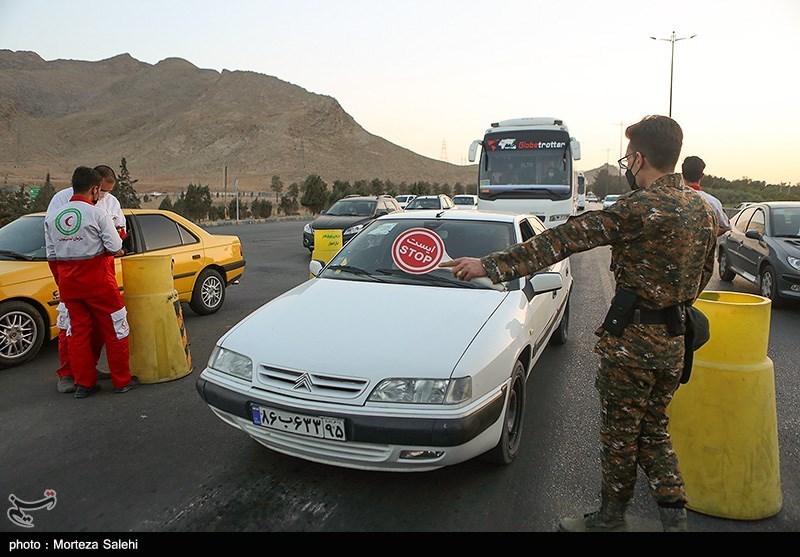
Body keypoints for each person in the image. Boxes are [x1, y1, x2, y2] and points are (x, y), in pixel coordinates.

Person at [441, 115, 718, 533]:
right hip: (675, 341)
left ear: (639, 158)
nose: (628, 164)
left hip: (633, 346)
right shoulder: (701, 209)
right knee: (655, 430)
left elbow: (561, 241)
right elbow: (702, 274)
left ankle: (610, 518)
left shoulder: (638, 208)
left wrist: (488, 265)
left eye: (628, 157)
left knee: (620, 436)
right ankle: (674, 517)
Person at [44, 166, 138, 398]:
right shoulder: (97, 213)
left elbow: (51, 255)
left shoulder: (54, 215)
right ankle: (121, 381)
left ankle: (84, 384)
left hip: (68, 283)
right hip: (98, 281)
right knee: (117, 328)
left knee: (77, 333)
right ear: (94, 189)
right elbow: (115, 246)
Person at [681, 156, 731, 236]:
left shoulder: (669, 198)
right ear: (702, 176)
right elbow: (726, 226)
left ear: (682, 175)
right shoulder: (713, 202)